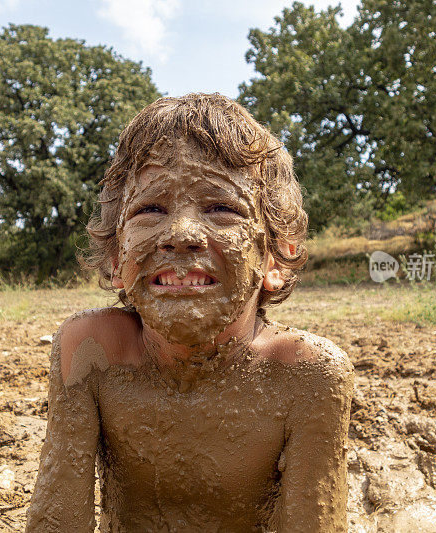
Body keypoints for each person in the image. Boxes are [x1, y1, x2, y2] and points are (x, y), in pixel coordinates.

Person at [25, 93, 353, 532]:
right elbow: (56, 522)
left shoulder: (308, 376)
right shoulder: (90, 353)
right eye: (150, 210)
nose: (180, 235)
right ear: (116, 260)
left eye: (221, 208)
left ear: (277, 257)